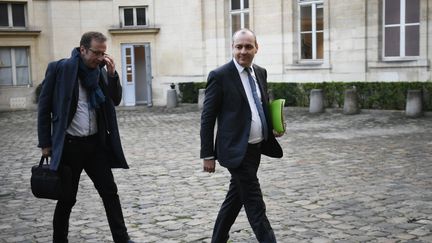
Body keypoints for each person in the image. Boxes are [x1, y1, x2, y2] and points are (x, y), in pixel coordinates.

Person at [38, 31, 134, 243]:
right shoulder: (60, 69)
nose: (100, 58)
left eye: (103, 53)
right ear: (82, 49)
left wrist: (112, 74)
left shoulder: (100, 72)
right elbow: (44, 108)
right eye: (96, 53)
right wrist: (45, 143)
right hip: (70, 146)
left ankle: (122, 238)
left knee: (110, 192)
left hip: (95, 145)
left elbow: (115, 99)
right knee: (67, 199)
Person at [200, 28, 284, 243]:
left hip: (256, 148)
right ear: (232, 48)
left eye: (248, 46)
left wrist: (272, 126)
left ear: (257, 48)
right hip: (234, 150)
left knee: (235, 197)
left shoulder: (260, 72)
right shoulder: (219, 76)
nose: (243, 51)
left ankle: (217, 239)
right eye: (239, 46)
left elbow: (260, 105)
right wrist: (208, 154)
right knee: (255, 204)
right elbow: (207, 118)